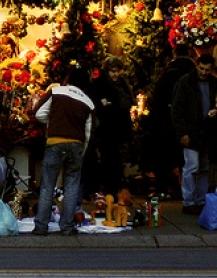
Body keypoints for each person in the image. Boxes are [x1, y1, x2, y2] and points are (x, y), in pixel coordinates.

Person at [32, 63, 95, 236]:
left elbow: (38, 112)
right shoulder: (88, 102)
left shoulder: (57, 91)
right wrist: (83, 152)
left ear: (69, 77)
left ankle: (41, 226)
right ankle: (67, 226)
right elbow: (89, 132)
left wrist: (53, 123)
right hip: (76, 144)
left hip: (55, 141)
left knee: (47, 185)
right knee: (72, 185)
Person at [145, 44, 195, 197]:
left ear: (175, 53)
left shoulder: (168, 72)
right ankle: (185, 190)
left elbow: (158, 97)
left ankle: (162, 188)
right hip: (189, 120)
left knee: (164, 155)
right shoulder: (194, 73)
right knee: (186, 159)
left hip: (167, 119)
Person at [171, 54, 217, 215]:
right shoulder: (185, 82)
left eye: (207, 70)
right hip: (192, 130)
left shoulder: (212, 83)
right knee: (192, 166)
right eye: (202, 68)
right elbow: (177, 109)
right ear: (196, 65)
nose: (204, 72)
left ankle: (199, 200)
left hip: (206, 131)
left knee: (203, 167)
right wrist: (182, 132)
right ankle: (190, 200)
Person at [93, 56, 135, 196]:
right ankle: (108, 188)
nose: (116, 74)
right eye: (113, 71)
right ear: (107, 71)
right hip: (107, 129)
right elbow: (99, 105)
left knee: (117, 160)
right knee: (108, 159)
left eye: (118, 71)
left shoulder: (123, 84)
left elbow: (127, 104)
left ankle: (116, 187)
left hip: (120, 128)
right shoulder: (102, 84)